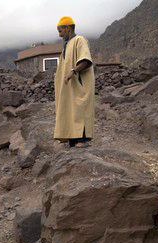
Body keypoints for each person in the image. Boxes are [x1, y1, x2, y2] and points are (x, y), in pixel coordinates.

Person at [54, 16, 95, 148]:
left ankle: (82, 140)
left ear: (68, 28)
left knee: (79, 108)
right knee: (69, 109)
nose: (60, 35)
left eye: (61, 31)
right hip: (69, 86)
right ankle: (72, 138)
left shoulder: (79, 40)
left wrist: (73, 71)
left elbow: (86, 60)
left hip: (79, 82)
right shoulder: (66, 45)